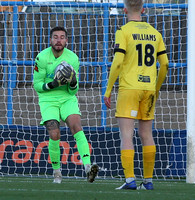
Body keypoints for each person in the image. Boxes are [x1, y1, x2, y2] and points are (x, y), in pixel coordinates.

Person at [104, 0, 168, 190]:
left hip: (129, 88)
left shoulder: (123, 31)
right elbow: (164, 64)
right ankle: (148, 181)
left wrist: (108, 90)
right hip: (148, 89)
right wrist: (156, 89)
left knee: (126, 135)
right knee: (146, 134)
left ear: (124, 9)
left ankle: (130, 179)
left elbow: (117, 63)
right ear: (143, 9)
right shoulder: (155, 33)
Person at [33, 26, 98, 184]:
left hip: (67, 98)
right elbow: (37, 85)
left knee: (76, 127)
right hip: (48, 99)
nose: (58, 40)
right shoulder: (41, 58)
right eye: (55, 37)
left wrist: (74, 82)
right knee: (54, 134)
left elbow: (72, 91)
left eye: (62, 37)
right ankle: (57, 173)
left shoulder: (73, 58)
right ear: (50, 40)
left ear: (66, 41)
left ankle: (88, 167)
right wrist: (52, 85)